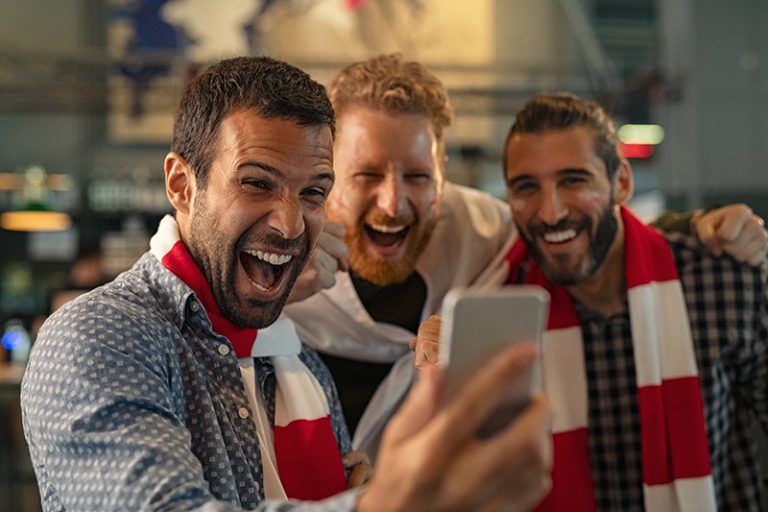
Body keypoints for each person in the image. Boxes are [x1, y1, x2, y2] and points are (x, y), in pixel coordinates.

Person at [20, 56, 553, 511]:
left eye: (314, 192)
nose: (291, 224)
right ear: (182, 185)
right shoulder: (97, 337)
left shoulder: (294, 358)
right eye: (257, 183)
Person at [284, 53, 768, 460]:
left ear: (443, 172)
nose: (393, 203)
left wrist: (694, 228)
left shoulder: (482, 232)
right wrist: (271, 290)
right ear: (329, 172)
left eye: (417, 176)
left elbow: (577, 231)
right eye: (366, 175)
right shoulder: (279, 261)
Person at [500, 92, 767, 511]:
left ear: (621, 182)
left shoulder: (721, 279)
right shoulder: (503, 310)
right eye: (527, 187)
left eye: (574, 180)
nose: (550, 212)